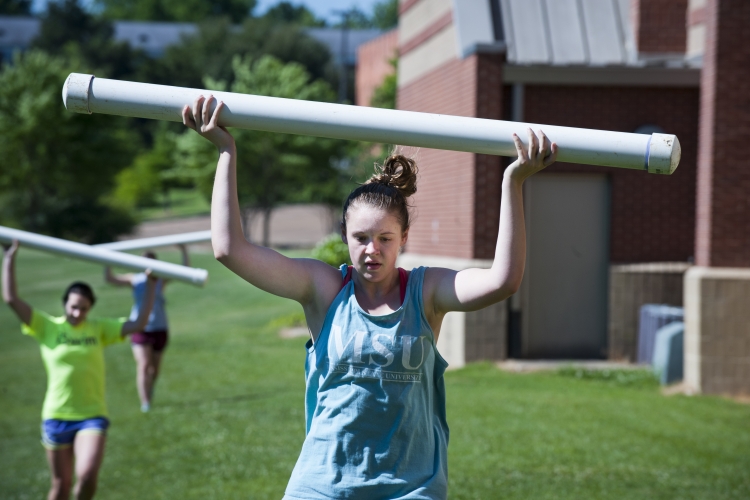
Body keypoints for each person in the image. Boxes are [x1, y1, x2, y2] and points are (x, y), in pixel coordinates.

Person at [182, 95, 557, 499]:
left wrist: (512, 181)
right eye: (360, 238)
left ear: (404, 240)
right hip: (323, 486)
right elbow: (229, 250)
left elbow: (503, 280)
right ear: (345, 236)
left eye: (384, 238)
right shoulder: (323, 288)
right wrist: (226, 150)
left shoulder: (425, 292)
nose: (371, 250)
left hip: (410, 489)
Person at [2, 240, 158, 500]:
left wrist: (151, 285)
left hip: (92, 415)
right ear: (65, 303)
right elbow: (11, 299)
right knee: (60, 486)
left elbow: (139, 322)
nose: (77, 312)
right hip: (56, 416)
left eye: (83, 308)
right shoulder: (47, 327)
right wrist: (9, 258)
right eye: (73, 306)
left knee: (86, 478)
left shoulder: (98, 328)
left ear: (90, 308)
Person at [104, 245, 188, 412]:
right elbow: (110, 278)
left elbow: (185, 271)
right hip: (140, 326)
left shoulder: (161, 279)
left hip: (160, 326)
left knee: (154, 369)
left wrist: (183, 250)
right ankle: (145, 403)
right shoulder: (134, 279)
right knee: (143, 365)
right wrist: (108, 257)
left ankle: (150, 388)